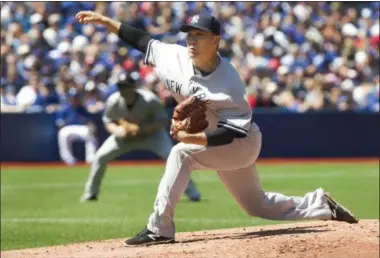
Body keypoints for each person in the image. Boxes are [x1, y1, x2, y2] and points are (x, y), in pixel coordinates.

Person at [76, 11, 358, 246]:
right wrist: (104, 21)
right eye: (189, 34)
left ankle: (159, 228)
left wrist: (188, 136)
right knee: (256, 205)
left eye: (199, 35)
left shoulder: (229, 82)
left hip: (240, 143)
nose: (192, 40)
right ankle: (321, 204)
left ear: (215, 40)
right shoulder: (173, 57)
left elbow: (230, 133)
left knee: (181, 154)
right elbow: (141, 40)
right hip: (217, 141)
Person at [81, 71, 201, 202]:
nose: (123, 90)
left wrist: (142, 129)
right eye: (121, 87)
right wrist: (117, 131)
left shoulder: (149, 100)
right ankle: (90, 193)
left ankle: (193, 193)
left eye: (126, 86)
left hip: (151, 135)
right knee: (100, 156)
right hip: (124, 137)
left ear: (134, 87)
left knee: (173, 156)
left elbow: (162, 121)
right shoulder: (113, 101)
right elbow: (108, 121)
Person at [56, 88, 98, 165]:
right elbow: (60, 124)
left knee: (90, 132)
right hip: (68, 129)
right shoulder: (64, 109)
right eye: (72, 98)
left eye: (76, 98)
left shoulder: (83, 109)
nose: (74, 100)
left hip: (82, 129)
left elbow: (90, 122)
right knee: (62, 133)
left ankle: (91, 158)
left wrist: (91, 126)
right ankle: (69, 160)